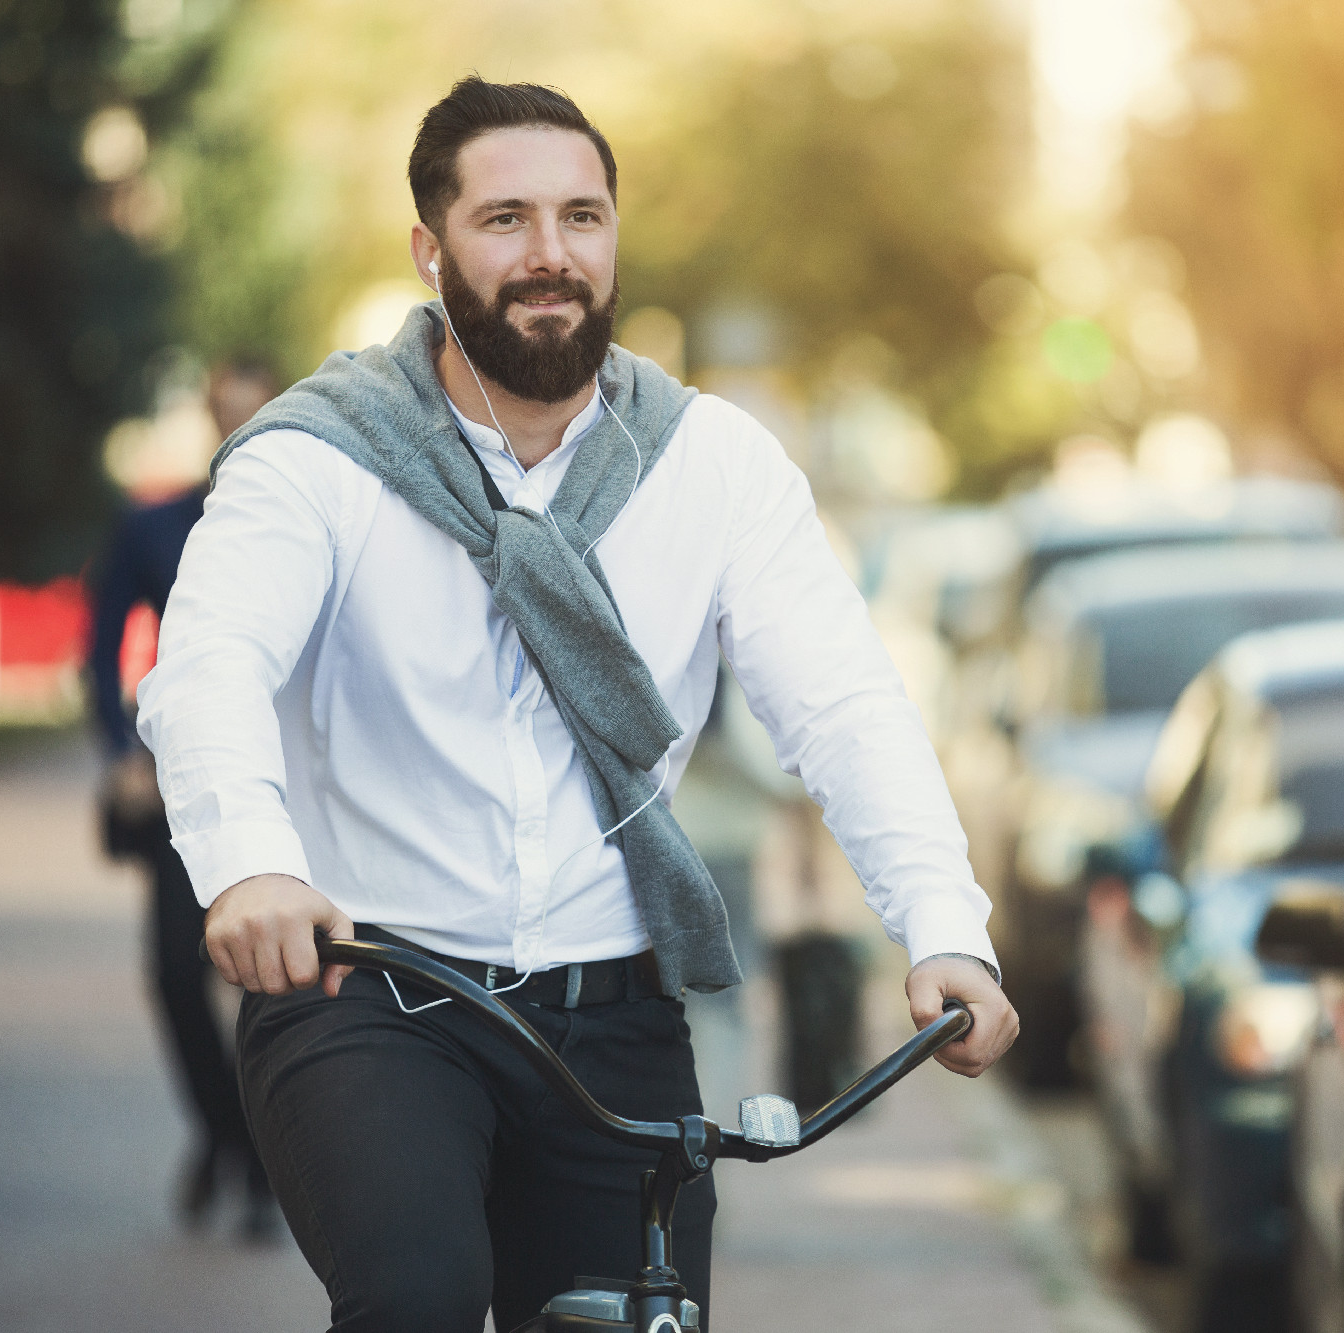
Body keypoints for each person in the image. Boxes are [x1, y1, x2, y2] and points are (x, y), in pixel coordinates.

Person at [136, 77, 1019, 1332]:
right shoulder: (319, 454)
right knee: (415, 1296)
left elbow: (842, 706)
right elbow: (209, 663)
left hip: (610, 1016)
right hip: (370, 993)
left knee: (634, 1316)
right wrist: (247, 868)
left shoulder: (712, 462)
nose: (550, 254)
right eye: (504, 219)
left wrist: (944, 928)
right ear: (428, 251)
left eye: (582, 217)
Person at [87, 357, 281, 1239]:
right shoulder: (160, 525)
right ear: (210, 417)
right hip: (185, 777)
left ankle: (258, 1164)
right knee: (173, 972)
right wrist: (119, 748)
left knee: (269, 983)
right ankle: (224, 1132)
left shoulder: (305, 519)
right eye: (226, 412)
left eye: (257, 411)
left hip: (288, 787)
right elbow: (100, 646)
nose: (238, 426)